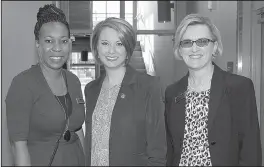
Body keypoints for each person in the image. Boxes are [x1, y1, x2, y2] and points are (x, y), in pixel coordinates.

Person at [165, 13, 262, 166]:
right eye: (187, 42)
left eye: (202, 41)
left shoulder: (239, 87)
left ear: (215, 46)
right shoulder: (172, 93)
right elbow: (170, 150)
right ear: (179, 48)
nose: (194, 48)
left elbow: (250, 150)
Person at [6, 4, 85, 166]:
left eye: (63, 41)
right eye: (49, 41)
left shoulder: (74, 81)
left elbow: (77, 130)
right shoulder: (22, 84)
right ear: (38, 44)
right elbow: (18, 145)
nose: (57, 48)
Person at [84, 17, 167, 166]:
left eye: (119, 44)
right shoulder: (91, 89)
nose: (111, 50)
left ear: (128, 48)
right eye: (105, 43)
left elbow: (158, 151)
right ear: (96, 47)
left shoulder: (148, 86)